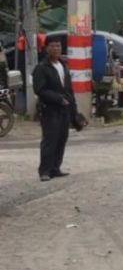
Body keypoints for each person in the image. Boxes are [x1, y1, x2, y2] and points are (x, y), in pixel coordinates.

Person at [33, 36, 85, 181]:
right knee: (50, 139)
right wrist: (58, 99)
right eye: (53, 46)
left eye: (58, 46)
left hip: (65, 110)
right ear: (47, 48)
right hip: (50, 110)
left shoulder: (63, 65)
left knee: (62, 138)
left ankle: (55, 168)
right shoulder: (41, 68)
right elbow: (40, 90)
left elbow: (69, 89)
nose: (56, 49)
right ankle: (45, 171)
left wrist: (74, 110)